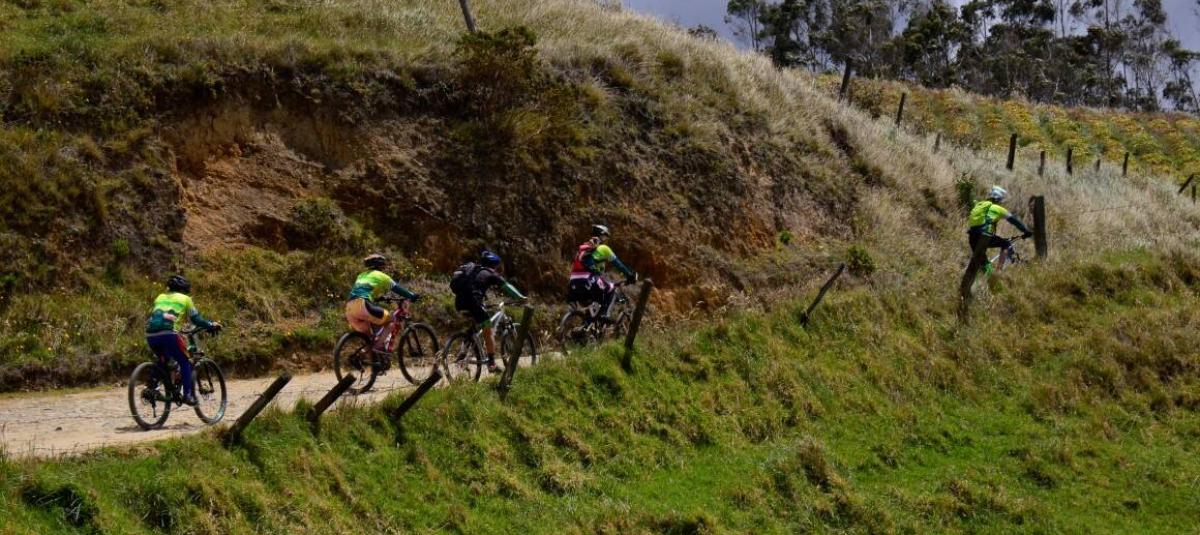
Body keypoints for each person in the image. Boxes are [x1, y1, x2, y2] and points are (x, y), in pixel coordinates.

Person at [145, 275, 221, 405]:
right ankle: (187, 395)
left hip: (150, 334)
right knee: (185, 362)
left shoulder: (160, 297)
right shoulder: (186, 299)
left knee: (164, 359)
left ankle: (152, 387)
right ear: (184, 289)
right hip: (169, 333)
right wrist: (210, 325)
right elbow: (196, 319)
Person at [450, 250, 526, 373]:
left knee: (474, 328)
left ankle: (462, 354)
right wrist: (520, 297)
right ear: (494, 265)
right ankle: (492, 364)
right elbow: (506, 286)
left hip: (459, 302)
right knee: (487, 329)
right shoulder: (490, 273)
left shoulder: (473, 270)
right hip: (474, 302)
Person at [345, 254, 421, 350]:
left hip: (350, 308)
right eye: (383, 264)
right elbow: (398, 289)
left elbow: (364, 290)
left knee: (369, 339)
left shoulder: (361, 275)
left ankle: (368, 355)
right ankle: (378, 346)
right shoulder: (382, 276)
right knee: (391, 320)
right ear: (380, 265)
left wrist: (379, 298)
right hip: (363, 305)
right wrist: (412, 296)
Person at [567, 224, 638, 321]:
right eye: (605, 237)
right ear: (602, 235)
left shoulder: (583, 248)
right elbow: (618, 264)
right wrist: (630, 275)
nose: (606, 239)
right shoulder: (604, 248)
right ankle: (605, 315)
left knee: (598, 300)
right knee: (611, 289)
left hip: (573, 282)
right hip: (588, 279)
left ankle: (588, 324)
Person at [968, 186, 1033, 273]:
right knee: (1006, 244)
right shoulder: (998, 209)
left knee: (985, 265)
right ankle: (999, 271)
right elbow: (1014, 221)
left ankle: (988, 276)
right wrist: (1026, 231)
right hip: (985, 236)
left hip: (972, 237)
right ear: (999, 200)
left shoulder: (979, 205)